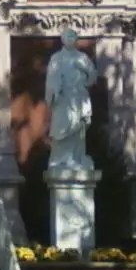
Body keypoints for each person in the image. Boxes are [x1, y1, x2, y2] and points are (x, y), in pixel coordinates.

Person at [45, 27, 97, 170]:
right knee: (63, 127)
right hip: (64, 100)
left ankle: (77, 157)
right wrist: (55, 90)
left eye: (73, 36)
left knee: (79, 128)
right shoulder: (57, 58)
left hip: (80, 98)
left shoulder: (82, 58)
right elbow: (51, 78)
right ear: (62, 40)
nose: (70, 39)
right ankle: (62, 159)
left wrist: (85, 69)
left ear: (76, 39)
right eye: (67, 37)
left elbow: (93, 77)